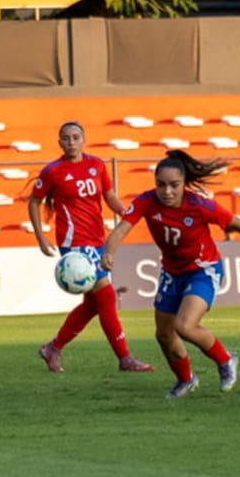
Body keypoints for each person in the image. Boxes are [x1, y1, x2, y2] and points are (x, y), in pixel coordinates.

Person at [102, 150, 240, 398]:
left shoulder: (199, 205)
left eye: (174, 185)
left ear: (184, 184)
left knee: (184, 325)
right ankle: (186, 379)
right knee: (164, 334)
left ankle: (226, 359)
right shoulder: (146, 201)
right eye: (161, 185)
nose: (167, 192)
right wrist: (108, 253)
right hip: (172, 272)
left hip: (203, 269)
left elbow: (236, 223)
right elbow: (121, 229)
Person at [28, 121, 153, 374]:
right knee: (105, 295)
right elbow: (34, 201)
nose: (71, 141)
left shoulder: (96, 164)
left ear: (83, 140)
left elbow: (109, 195)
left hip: (98, 240)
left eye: (75, 137)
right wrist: (41, 237)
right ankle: (125, 358)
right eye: (66, 138)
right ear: (60, 142)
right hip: (74, 243)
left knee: (93, 304)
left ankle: (53, 348)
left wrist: (124, 211)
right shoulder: (53, 171)